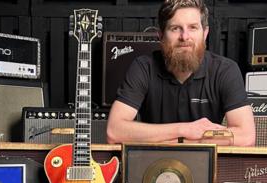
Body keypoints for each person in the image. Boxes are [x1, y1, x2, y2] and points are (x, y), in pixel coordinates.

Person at [106, 0, 255, 146]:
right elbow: (114, 131)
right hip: (152, 164)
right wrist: (185, 130)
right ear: (161, 36)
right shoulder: (144, 67)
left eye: (193, 27)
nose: (184, 37)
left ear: (205, 33)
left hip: (207, 165)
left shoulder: (225, 70)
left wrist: (180, 140)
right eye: (175, 28)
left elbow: (246, 137)